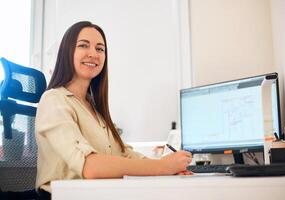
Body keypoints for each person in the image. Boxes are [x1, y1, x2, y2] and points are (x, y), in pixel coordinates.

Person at [35, 21, 192, 198]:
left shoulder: (94, 109)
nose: (93, 54)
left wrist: (169, 166)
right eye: (83, 45)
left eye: (100, 49)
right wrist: (161, 167)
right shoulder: (54, 100)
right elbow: (90, 167)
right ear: (67, 52)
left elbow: (125, 155)